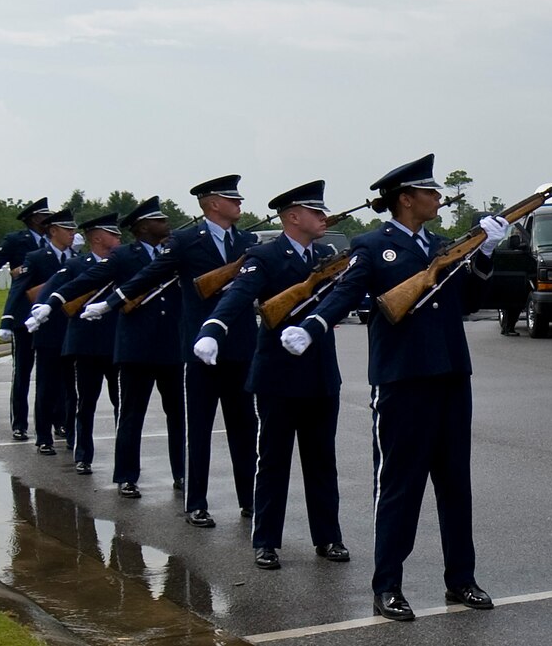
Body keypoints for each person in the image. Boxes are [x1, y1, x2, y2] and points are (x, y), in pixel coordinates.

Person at [280, 154, 507, 622]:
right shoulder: (371, 245)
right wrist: (314, 324)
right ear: (406, 199)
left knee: (454, 485)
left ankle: (461, 578)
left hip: (449, 377)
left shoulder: (444, 245)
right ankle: (388, 585)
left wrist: (484, 253)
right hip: (402, 382)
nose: (438, 198)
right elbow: (345, 293)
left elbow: (471, 301)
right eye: (430, 192)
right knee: (399, 488)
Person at [84, 175, 258, 527]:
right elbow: (151, 274)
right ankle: (196, 502)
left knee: (245, 428)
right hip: (198, 348)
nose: (239, 203)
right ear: (212, 204)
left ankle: (250, 499)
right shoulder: (186, 240)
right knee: (198, 430)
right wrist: (112, 303)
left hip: (240, 346)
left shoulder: (247, 241)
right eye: (231, 198)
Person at [193, 180, 348, 570]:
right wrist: (214, 328)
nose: (323, 217)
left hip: (320, 373)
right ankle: (265, 540)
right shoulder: (264, 256)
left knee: (322, 460)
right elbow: (238, 294)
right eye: (316, 212)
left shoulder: (328, 254)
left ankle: (328, 537)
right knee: (273, 461)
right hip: (277, 376)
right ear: (293, 217)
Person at [31, 197, 185, 498]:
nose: (166, 224)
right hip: (135, 347)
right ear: (142, 227)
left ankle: (181, 472)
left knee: (177, 414)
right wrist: (53, 302)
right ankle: (127, 476)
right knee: (130, 415)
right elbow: (90, 279)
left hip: (170, 345)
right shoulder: (125, 256)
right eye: (159, 220)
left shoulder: (174, 253)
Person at [26, 212, 122, 475]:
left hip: (116, 344)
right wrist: (40, 311)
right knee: (84, 404)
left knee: (121, 405)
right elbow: (50, 290)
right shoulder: (78, 265)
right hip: (85, 344)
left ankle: (123, 458)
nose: (119, 238)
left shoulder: (122, 264)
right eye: (114, 234)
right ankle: (82, 454)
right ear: (99, 237)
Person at [0, 197, 53, 441]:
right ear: (32, 219)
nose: (48, 221)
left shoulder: (57, 239)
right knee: (23, 371)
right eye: (43, 217)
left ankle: (56, 420)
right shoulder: (17, 240)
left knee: (54, 372)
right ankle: (19, 423)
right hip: (23, 311)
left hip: (51, 312)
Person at [0, 209, 79, 454]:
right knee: (46, 385)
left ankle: (67, 427)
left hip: (71, 330)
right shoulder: (36, 257)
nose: (72, 234)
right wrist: (8, 319)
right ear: (53, 231)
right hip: (47, 330)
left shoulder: (78, 258)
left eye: (73, 229)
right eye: (67, 230)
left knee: (70, 388)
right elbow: (20, 288)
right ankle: (43, 436)